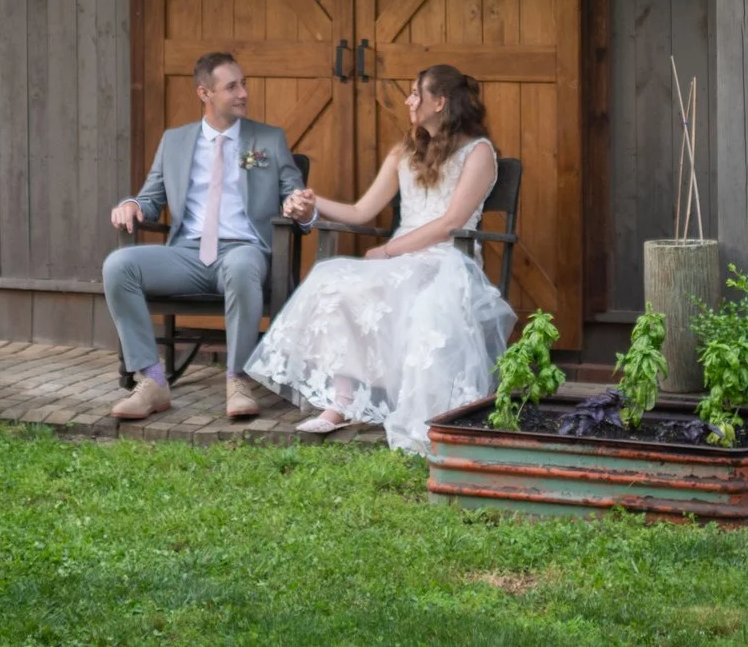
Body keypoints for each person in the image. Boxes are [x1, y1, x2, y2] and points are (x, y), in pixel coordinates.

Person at [247, 63, 517, 452]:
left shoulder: (478, 153)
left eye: (416, 93)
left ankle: (404, 406)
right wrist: (311, 202)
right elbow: (361, 211)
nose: (408, 101)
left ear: (440, 102)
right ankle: (342, 402)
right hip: (403, 258)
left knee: (404, 292)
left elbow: (451, 223)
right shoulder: (405, 151)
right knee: (333, 280)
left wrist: (389, 250)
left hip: (447, 257)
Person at [103, 52, 308, 423]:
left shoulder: (269, 138)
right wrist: (131, 205)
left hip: (244, 251)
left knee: (242, 265)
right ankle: (151, 380)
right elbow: (150, 199)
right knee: (118, 266)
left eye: (243, 84)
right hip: (187, 255)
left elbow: (294, 193)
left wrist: (300, 206)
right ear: (205, 93)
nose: (243, 93)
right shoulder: (174, 141)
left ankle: (238, 379)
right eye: (232, 87)